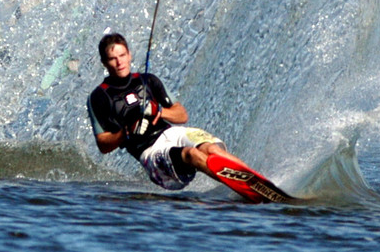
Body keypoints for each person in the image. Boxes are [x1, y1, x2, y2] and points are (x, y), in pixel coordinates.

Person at [87, 32, 274, 199]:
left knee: (212, 150)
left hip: (171, 133)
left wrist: (159, 111)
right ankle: (244, 190)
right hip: (151, 154)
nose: (119, 62)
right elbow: (103, 144)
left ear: (129, 55)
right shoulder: (99, 97)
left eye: (122, 55)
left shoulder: (148, 80)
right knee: (192, 154)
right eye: (112, 58)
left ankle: (259, 184)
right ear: (104, 63)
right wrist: (127, 132)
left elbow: (181, 115)